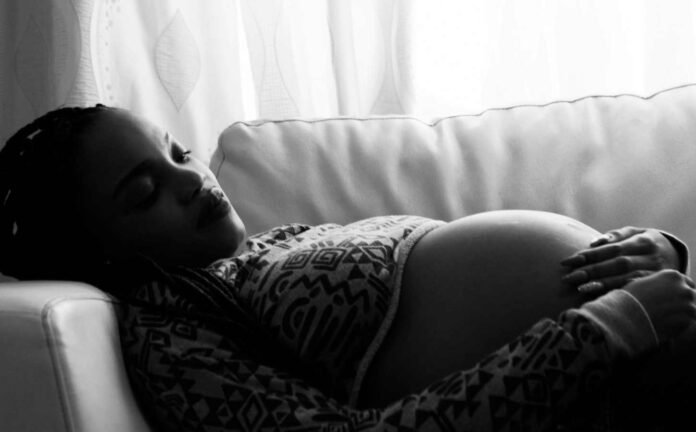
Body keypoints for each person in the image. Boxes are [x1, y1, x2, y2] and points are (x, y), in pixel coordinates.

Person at [0, 104, 694, 432]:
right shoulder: (169, 332)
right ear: (99, 251)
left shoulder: (272, 247)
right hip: (614, 391)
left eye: (178, 152)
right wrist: (602, 330)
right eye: (145, 192)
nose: (188, 179)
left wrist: (652, 250)